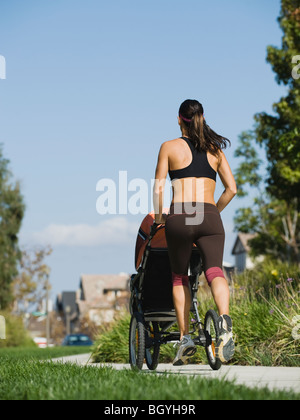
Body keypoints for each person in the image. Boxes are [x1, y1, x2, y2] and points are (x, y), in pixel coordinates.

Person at [153, 99, 237, 366]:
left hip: (180, 215)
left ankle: (186, 337)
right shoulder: (215, 150)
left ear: (179, 119)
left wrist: (158, 220)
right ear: (202, 118)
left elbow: (158, 188)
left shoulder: (169, 147)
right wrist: (213, 212)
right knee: (215, 271)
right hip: (209, 215)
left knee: (179, 276)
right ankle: (224, 321)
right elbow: (232, 189)